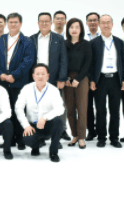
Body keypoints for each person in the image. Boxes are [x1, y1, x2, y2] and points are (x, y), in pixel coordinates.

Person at [0, 13, 35, 150]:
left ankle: (21, 140)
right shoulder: (2, 39)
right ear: (7, 24)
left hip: (19, 82)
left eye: (15, 22)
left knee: (19, 110)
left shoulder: (27, 41)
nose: (13, 24)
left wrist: (14, 75)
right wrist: (0, 74)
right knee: (6, 111)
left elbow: (28, 61)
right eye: (10, 22)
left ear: (20, 24)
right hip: (3, 82)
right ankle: (9, 139)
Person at [89, 14, 124, 148]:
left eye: (108, 22)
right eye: (103, 22)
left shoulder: (119, 42)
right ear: (99, 25)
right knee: (100, 110)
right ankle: (101, 138)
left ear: (112, 24)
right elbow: (91, 64)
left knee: (115, 110)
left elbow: (123, 61)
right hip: (100, 80)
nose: (106, 25)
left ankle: (114, 138)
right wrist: (92, 80)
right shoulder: (94, 43)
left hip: (116, 80)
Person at [30, 12, 69, 141]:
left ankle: (59, 133)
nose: (44, 23)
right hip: (37, 79)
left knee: (56, 106)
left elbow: (63, 59)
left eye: (47, 21)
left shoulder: (58, 39)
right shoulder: (32, 39)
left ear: (51, 23)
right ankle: (40, 134)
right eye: (42, 21)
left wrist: (62, 78)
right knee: (38, 105)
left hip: (54, 78)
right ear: (38, 23)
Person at [15, 64, 65, 162]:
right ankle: (36, 146)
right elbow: (18, 108)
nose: (40, 76)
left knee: (58, 121)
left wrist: (45, 117)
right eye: (37, 74)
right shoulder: (26, 88)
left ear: (48, 76)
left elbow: (60, 108)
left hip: (47, 124)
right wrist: (26, 126)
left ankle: (53, 152)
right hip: (32, 125)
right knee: (27, 139)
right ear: (33, 76)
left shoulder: (53, 90)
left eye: (43, 74)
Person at [63, 18, 92, 149]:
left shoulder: (86, 44)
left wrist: (78, 79)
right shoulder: (64, 44)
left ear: (81, 29)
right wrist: (66, 78)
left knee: (81, 108)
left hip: (82, 78)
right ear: (68, 29)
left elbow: (88, 63)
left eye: (77, 27)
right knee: (70, 108)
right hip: (67, 79)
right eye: (71, 27)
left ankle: (81, 137)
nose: (74, 29)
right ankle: (74, 135)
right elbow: (62, 62)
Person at [85, 12, 101, 140]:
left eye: (95, 20)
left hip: (101, 76)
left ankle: (101, 130)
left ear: (99, 22)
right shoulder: (82, 37)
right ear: (86, 23)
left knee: (101, 105)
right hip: (87, 76)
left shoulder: (105, 37)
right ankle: (91, 130)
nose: (92, 23)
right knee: (88, 105)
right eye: (90, 20)